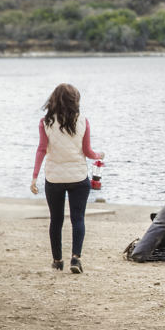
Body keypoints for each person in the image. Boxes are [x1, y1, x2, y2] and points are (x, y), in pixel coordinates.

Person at [29, 83, 105, 274]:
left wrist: (34, 177)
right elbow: (87, 152)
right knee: (78, 218)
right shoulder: (83, 121)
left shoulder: (45, 122)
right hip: (78, 177)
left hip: (54, 178)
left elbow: (41, 150)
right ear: (75, 101)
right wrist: (99, 155)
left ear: (53, 99)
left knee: (56, 220)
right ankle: (75, 259)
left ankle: (57, 260)